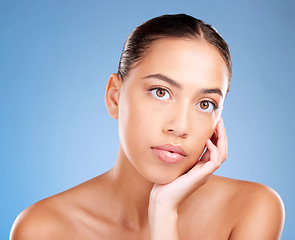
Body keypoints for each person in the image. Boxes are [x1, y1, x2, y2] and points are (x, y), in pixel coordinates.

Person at [10, 14, 284, 240]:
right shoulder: (44, 229)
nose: (180, 126)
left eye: (205, 104)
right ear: (114, 97)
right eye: (160, 92)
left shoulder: (251, 209)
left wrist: (163, 213)